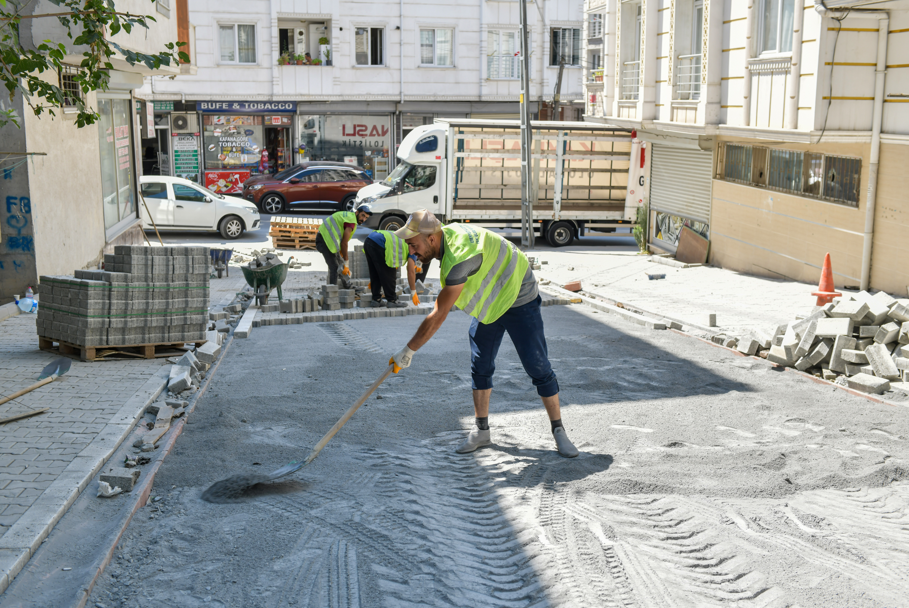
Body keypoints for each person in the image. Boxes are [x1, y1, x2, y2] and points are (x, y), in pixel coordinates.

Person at [389, 210, 579, 458]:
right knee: (480, 364)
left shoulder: (459, 258)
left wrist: (408, 351)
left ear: (431, 239)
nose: (412, 252)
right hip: (492, 302)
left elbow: (439, 314)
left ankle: (559, 430)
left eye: (414, 245)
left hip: (518, 295)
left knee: (537, 365)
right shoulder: (446, 236)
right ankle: (482, 431)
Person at [360, 207, 421, 309]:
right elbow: (410, 271)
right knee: (390, 274)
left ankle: (376, 300)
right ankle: (392, 300)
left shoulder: (408, 237)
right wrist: (413, 292)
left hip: (370, 239)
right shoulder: (415, 248)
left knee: (375, 273)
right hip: (380, 244)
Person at [316, 207, 372, 285]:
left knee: (340, 263)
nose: (363, 219)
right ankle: (332, 290)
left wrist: (342, 256)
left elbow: (340, 235)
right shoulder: (351, 222)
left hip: (328, 239)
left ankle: (347, 285)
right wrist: (347, 263)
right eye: (362, 215)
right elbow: (344, 243)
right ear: (357, 212)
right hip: (324, 240)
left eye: (366, 217)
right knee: (334, 267)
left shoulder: (350, 216)